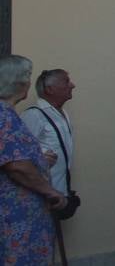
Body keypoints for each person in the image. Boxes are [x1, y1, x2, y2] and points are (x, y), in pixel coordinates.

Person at [0, 55, 62, 265]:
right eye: (27, 76)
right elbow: (16, 166)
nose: (29, 81)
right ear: (18, 81)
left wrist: (39, 160)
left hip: (21, 220)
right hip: (16, 221)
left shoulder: (7, 114)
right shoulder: (4, 116)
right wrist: (50, 191)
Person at [21, 68, 75, 199]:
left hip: (59, 194)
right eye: (66, 81)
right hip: (40, 196)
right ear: (50, 89)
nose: (72, 85)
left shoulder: (62, 114)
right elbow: (20, 155)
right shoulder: (34, 115)